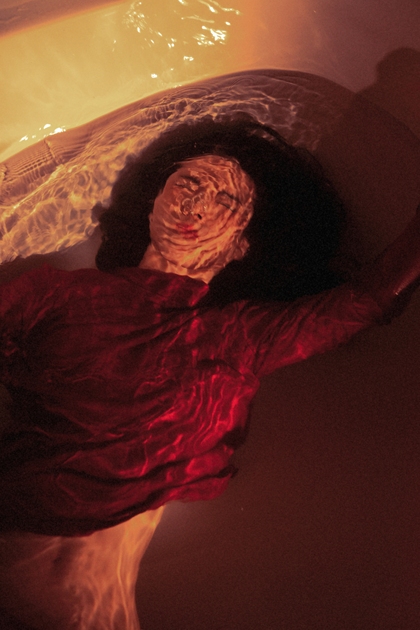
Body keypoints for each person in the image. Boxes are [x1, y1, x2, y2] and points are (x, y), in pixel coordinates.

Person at [0, 118, 419, 537]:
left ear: (242, 243)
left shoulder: (238, 335)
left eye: (225, 199)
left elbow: (368, 300)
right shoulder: (52, 293)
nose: (196, 203)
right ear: (153, 202)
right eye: (189, 182)